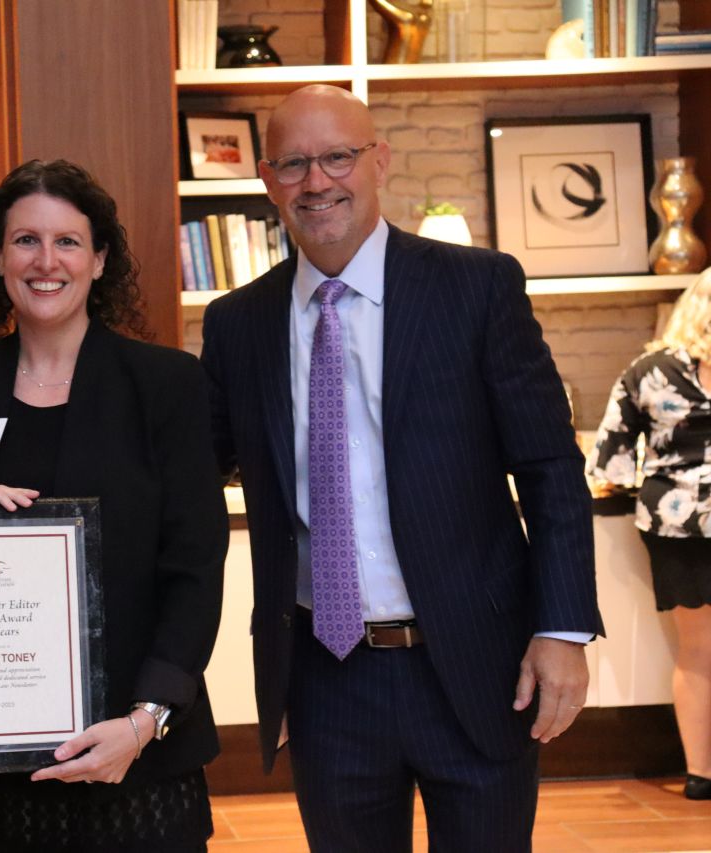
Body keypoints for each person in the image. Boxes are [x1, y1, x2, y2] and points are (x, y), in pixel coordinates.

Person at [200, 85, 604, 851]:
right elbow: (192, 472)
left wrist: (562, 628)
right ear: (266, 180)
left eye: (337, 156)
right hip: (326, 677)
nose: (316, 181)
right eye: (293, 164)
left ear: (379, 161)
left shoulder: (478, 287)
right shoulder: (237, 324)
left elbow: (551, 466)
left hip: (478, 665)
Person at [0, 159, 228, 852]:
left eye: (68, 242)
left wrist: (145, 720)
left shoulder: (165, 384)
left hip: (136, 758)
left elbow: (196, 568)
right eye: (25, 240)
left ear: (100, 259)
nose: (45, 261)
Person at [588, 266, 711, 801]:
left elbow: (610, 458)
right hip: (681, 528)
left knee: (698, 650)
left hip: (676, 524)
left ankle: (701, 773)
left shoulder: (650, 371)